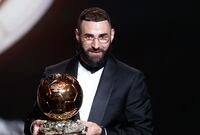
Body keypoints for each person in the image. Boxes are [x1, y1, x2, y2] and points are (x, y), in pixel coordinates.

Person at [24, 7, 153, 135]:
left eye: (103, 37)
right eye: (89, 37)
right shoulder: (53, 73)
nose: (96, 46)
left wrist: (103, 133)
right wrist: (33, 127)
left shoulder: (131, 79)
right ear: (77, 35)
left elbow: (143, 131)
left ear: (112, 35)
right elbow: (32, 122)